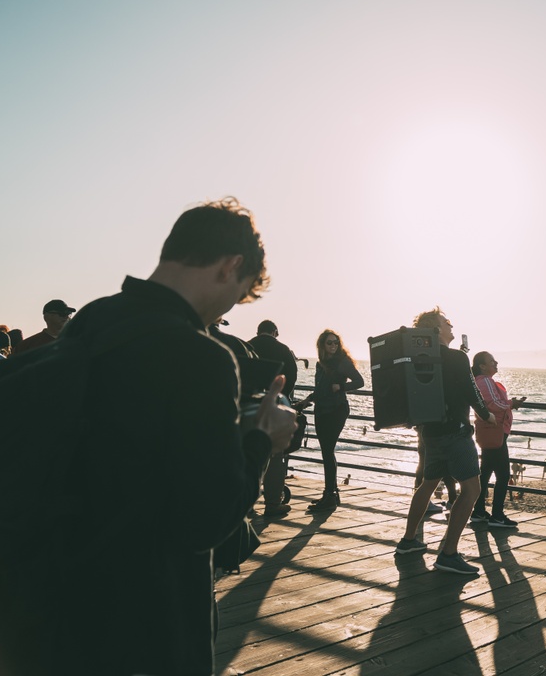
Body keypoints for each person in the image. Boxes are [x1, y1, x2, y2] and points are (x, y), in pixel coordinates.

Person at [0, 198, 296, 676]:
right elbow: (207, 522)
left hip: (50, 612)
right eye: (239, 294)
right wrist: (262, 437)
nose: (228, 309)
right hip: (146, 627)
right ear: (231, 266)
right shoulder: (201, 357)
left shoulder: (91, 322)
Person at [394, 308, 496, 576]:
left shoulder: (419, 359)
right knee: (472, 490)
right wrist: (488, 415)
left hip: (431, 434)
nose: (451, 326)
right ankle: (448, 554)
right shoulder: (456, 357)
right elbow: (471, 391)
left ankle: (408, 541)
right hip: (455, 432)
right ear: (436, 330)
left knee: (427, 485)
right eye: (446, 323)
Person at [294, 329, 363, 511]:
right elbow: (320, 389)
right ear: (322, 345)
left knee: (327, 450)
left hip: (337, 409)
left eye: (336, 343)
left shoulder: (342, 362)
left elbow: (359, 381)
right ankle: (331, 493)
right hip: (321, 410)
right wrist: (307, 400)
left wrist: (340, 386)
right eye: (329, 343)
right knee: (327, 451)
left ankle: (329, 496)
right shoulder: (321, 364)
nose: (333, 346)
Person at [249, 319, 302, 518]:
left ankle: (248, 506)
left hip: (250, 404)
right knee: (275, 455)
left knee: (250, 452)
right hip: (275, 404)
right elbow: (293, 376)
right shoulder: (283, 349)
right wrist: (283, 397)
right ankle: (272, 503)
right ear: (274, 332)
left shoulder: (248, 345)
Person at [469, 350, 526, 529]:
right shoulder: (484, 381)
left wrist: (509, 404)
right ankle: (497, 516)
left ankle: (478, 511)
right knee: (503, 475)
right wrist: (512, 404)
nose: (496, 363)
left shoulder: (480, 381)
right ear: (482, 366)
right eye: (492, 361)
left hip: (488, 431)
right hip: (495, 432)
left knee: (485, 472)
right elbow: (492, 404)